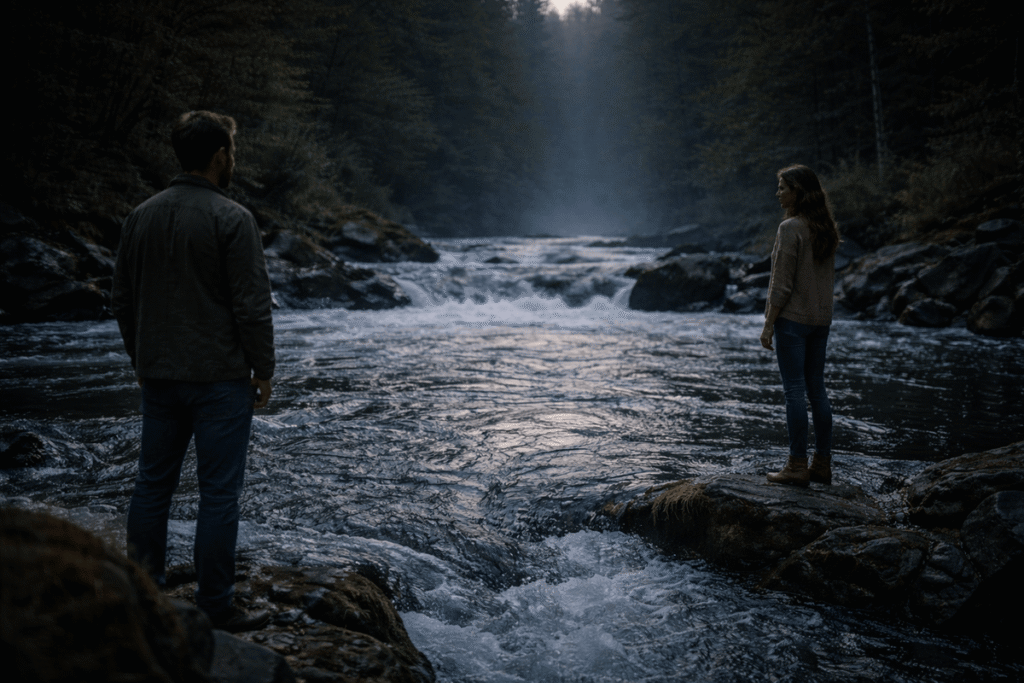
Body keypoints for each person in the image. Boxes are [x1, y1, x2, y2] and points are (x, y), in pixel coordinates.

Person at [111, 110, 275, 632]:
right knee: (219, 493)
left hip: (158, 374)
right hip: (219, 378)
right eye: (232, 150)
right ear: (220, 155)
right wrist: (264, 369)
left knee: (151, 486)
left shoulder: (141, 215)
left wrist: (141, 359)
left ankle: (142, 595)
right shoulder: (232, 218)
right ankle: (215, 605)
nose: (234, 159)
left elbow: (121, 299)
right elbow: (252, 305)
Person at [760, 164, 840, 487]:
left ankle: (796, 465)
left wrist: (768, 324)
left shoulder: (790, 228)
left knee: (794, 390)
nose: (777, 193)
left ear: (798, 191)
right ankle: (821, 464)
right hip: (821, 320)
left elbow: (781, 285)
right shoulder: (825, 228)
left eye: (782, 187)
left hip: (792, 320)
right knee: (817, 390)